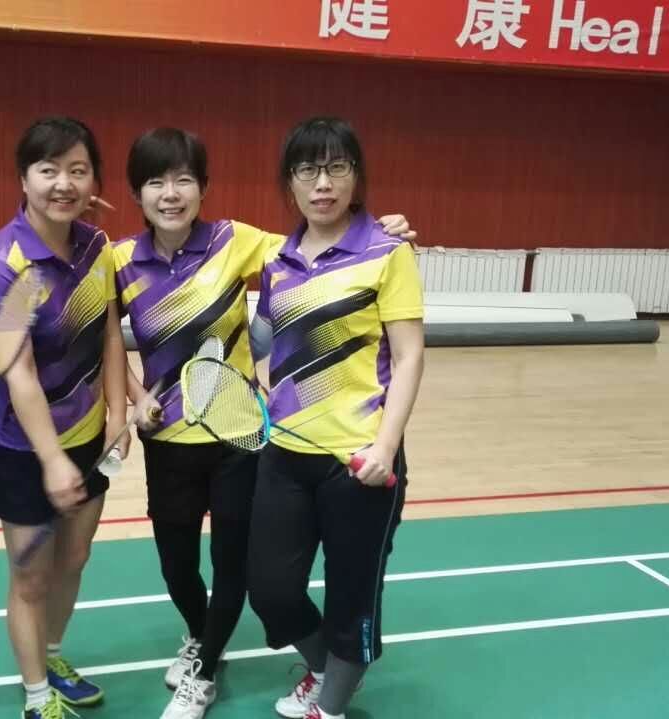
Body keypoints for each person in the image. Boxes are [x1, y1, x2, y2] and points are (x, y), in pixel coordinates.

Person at [112, 127, 416, 719]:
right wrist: (133, 396)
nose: (171, 194)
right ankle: (208, 637)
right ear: (137, 193)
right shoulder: (121, 259)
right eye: (155, 182)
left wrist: (385, 230)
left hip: (244, 437)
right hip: (175, 437)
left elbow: (326, 249)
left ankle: (218, 672)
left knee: (249, 568)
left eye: (184, 180)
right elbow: (104, 341)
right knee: (198, 570)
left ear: (203, 187)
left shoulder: (239, 241)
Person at [246, 117, 425, 719]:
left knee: (353, 596)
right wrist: (264, 381)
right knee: (271, 590)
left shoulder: (388, 253)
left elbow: (408, 356)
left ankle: (333, 705)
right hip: (285, 454)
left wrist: (385, 448)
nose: (322, 183)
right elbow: (266, 338)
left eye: (336, 168)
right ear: (290, 182)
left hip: (358, 459)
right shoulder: (278, 260)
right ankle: (325, 672)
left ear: (355, 177)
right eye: (307, 170)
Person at [0, 116, 130, 719]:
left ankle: (53, 656)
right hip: (26, 450)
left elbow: (109, 333)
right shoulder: (2, 267)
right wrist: (53, 459)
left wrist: (117, 414)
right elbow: (19, 375)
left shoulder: (95, 247)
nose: (63, 183)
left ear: (93, 181)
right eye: (49, 170)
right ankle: (37, 696)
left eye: (77, 170)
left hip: (88, 438)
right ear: (24, 178)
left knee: (74, 560)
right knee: (31, 578)